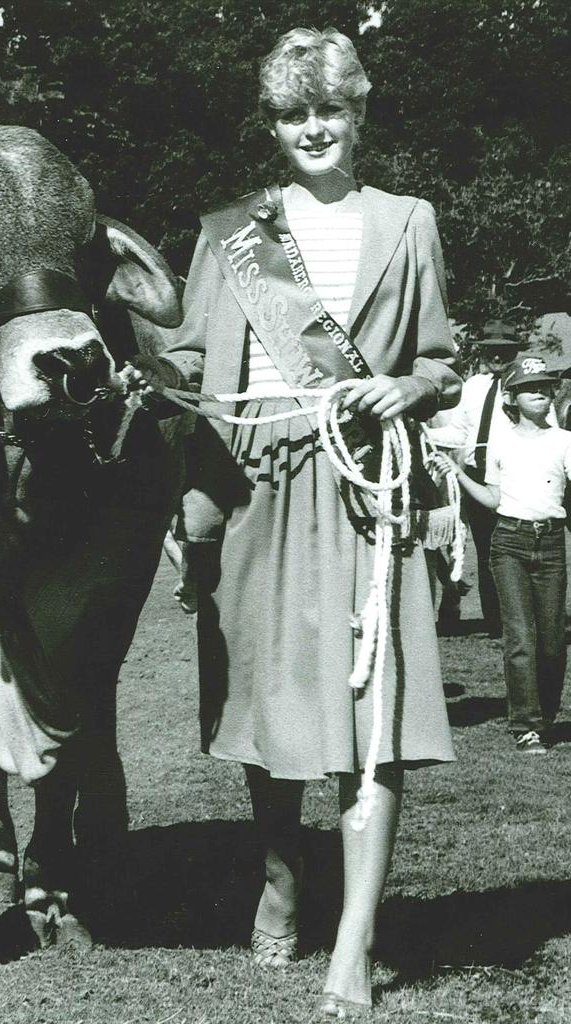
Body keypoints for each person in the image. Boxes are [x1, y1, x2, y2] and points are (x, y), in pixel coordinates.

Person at [125, 26, 460, 1016]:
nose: (313, 127)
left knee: (374, 715)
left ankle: (351, 946)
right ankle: (282, 873)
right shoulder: (234, 233)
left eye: (330, 108)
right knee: (271, 714)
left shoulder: (408, 221)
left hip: (366, 494)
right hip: (255, 488)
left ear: (359, 112)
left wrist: (407, 385)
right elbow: (185, 362)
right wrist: (140, 379)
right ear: (273, 124)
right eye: (292, 112)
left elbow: (441, 357)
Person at [455, 356, 571, 754]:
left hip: (552, 545)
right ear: (513, 397)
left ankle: (547, 717)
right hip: (509, 543)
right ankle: (526, 726)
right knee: (520, 636)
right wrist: (457, 475)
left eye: (546, 387)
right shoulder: (501, 443)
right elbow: (492, 498)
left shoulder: (564, 442)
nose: (541, 393)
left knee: (554, 641)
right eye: (531, 387)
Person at [427, 321, 530, 636]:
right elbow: (459, 432)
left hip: (515, 474)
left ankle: (524, 621)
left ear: (514, 352)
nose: (497, 357)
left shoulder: (525, 385)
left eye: (503, 351)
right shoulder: (470, 387)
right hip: (475, 477)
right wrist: (422, 433)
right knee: (486, 552)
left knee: (516, 548)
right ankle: (496, 624)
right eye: (491, 351)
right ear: (482, 352)